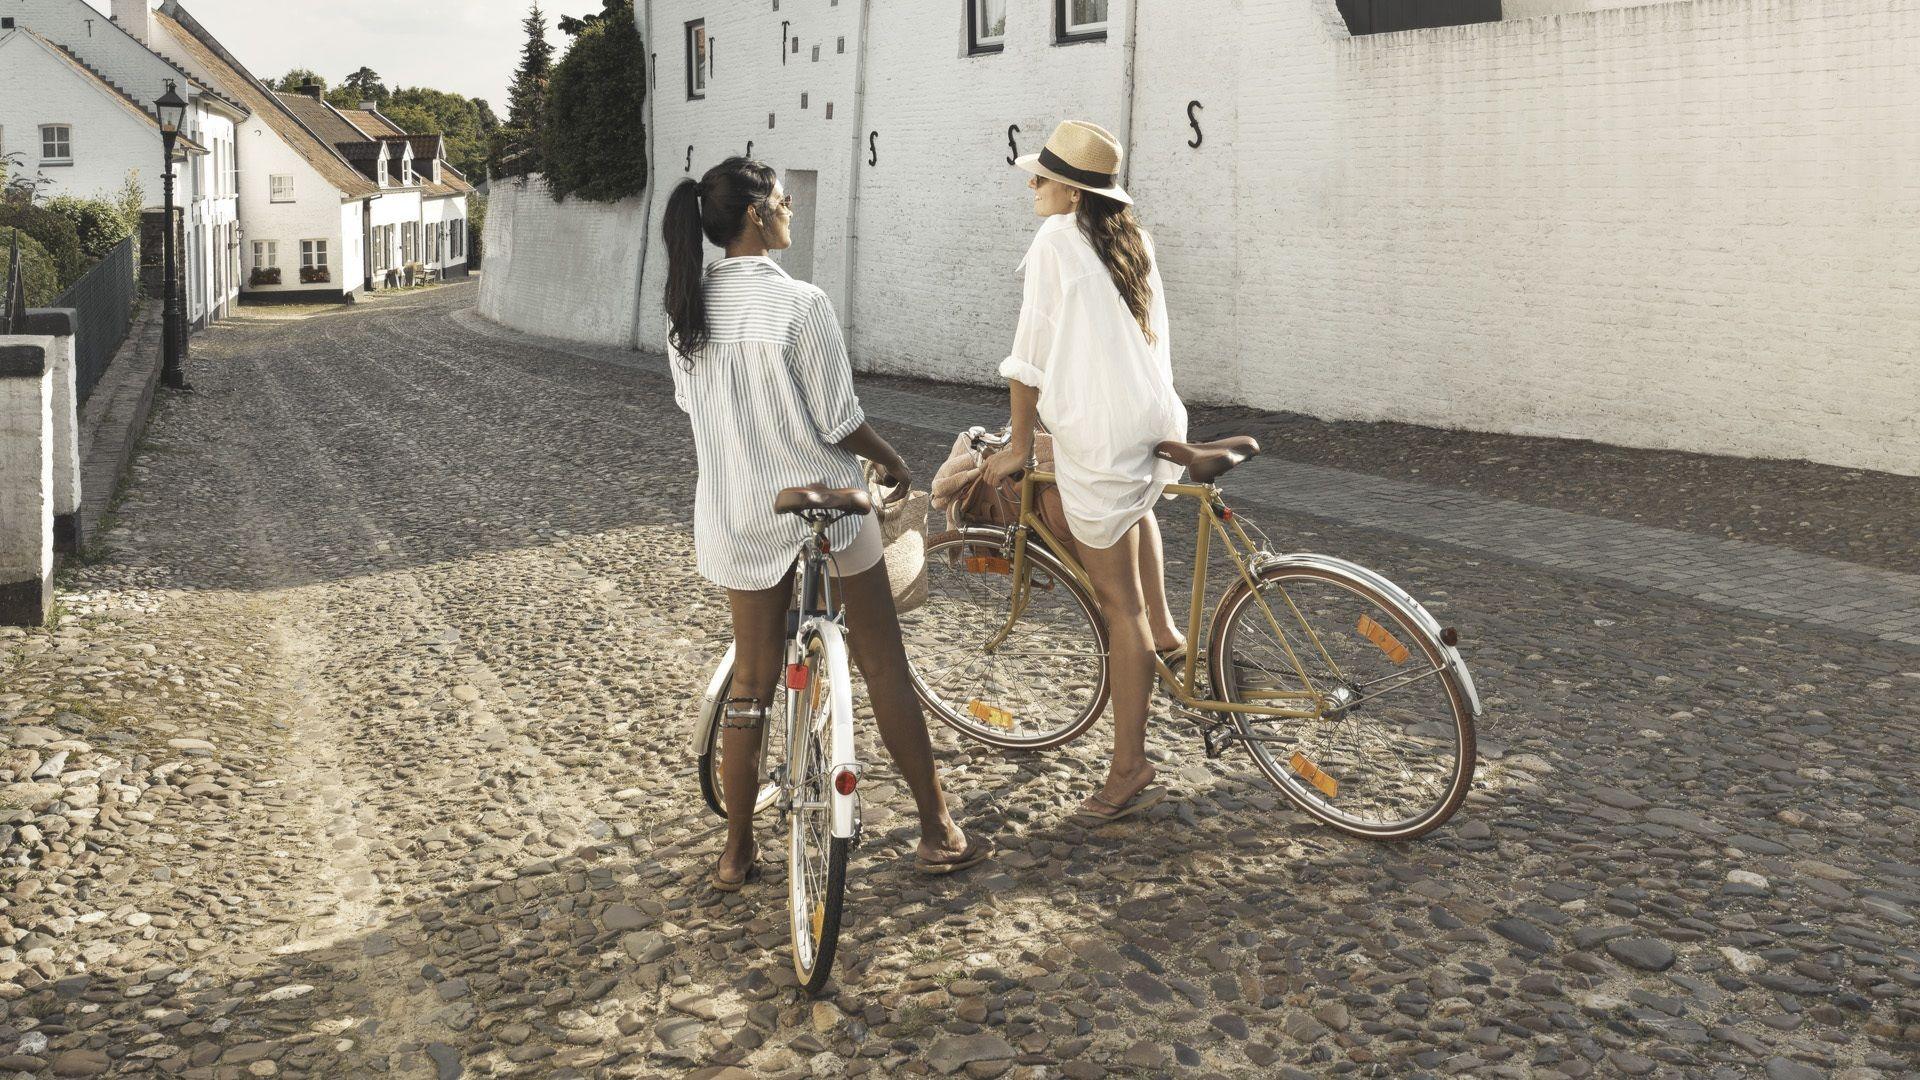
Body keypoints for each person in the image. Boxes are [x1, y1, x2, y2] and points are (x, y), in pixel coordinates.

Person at [663, 157, 988, 890]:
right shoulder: (801, 305)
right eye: (781, 200)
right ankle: (937, 832)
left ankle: (735, 852)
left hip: (738, 515)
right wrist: (895, 461)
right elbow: (841, 423)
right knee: (881, 664)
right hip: (828, 510)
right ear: (754, 215)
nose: (790, 211)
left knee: (752, 682)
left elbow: (696, 409)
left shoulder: (685, 308)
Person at [982, 122, 1190, 826]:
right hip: (1149, 419)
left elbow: (1029, 356)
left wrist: (1017, 445)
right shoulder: (1128, 237)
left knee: (1115, 608)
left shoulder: (1056, 240)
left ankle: (1130, 767)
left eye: (1040, 178)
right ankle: (1167, 637)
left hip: (1100, 432)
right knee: (1135, 515)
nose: (1032, 186)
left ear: (1071, 189)